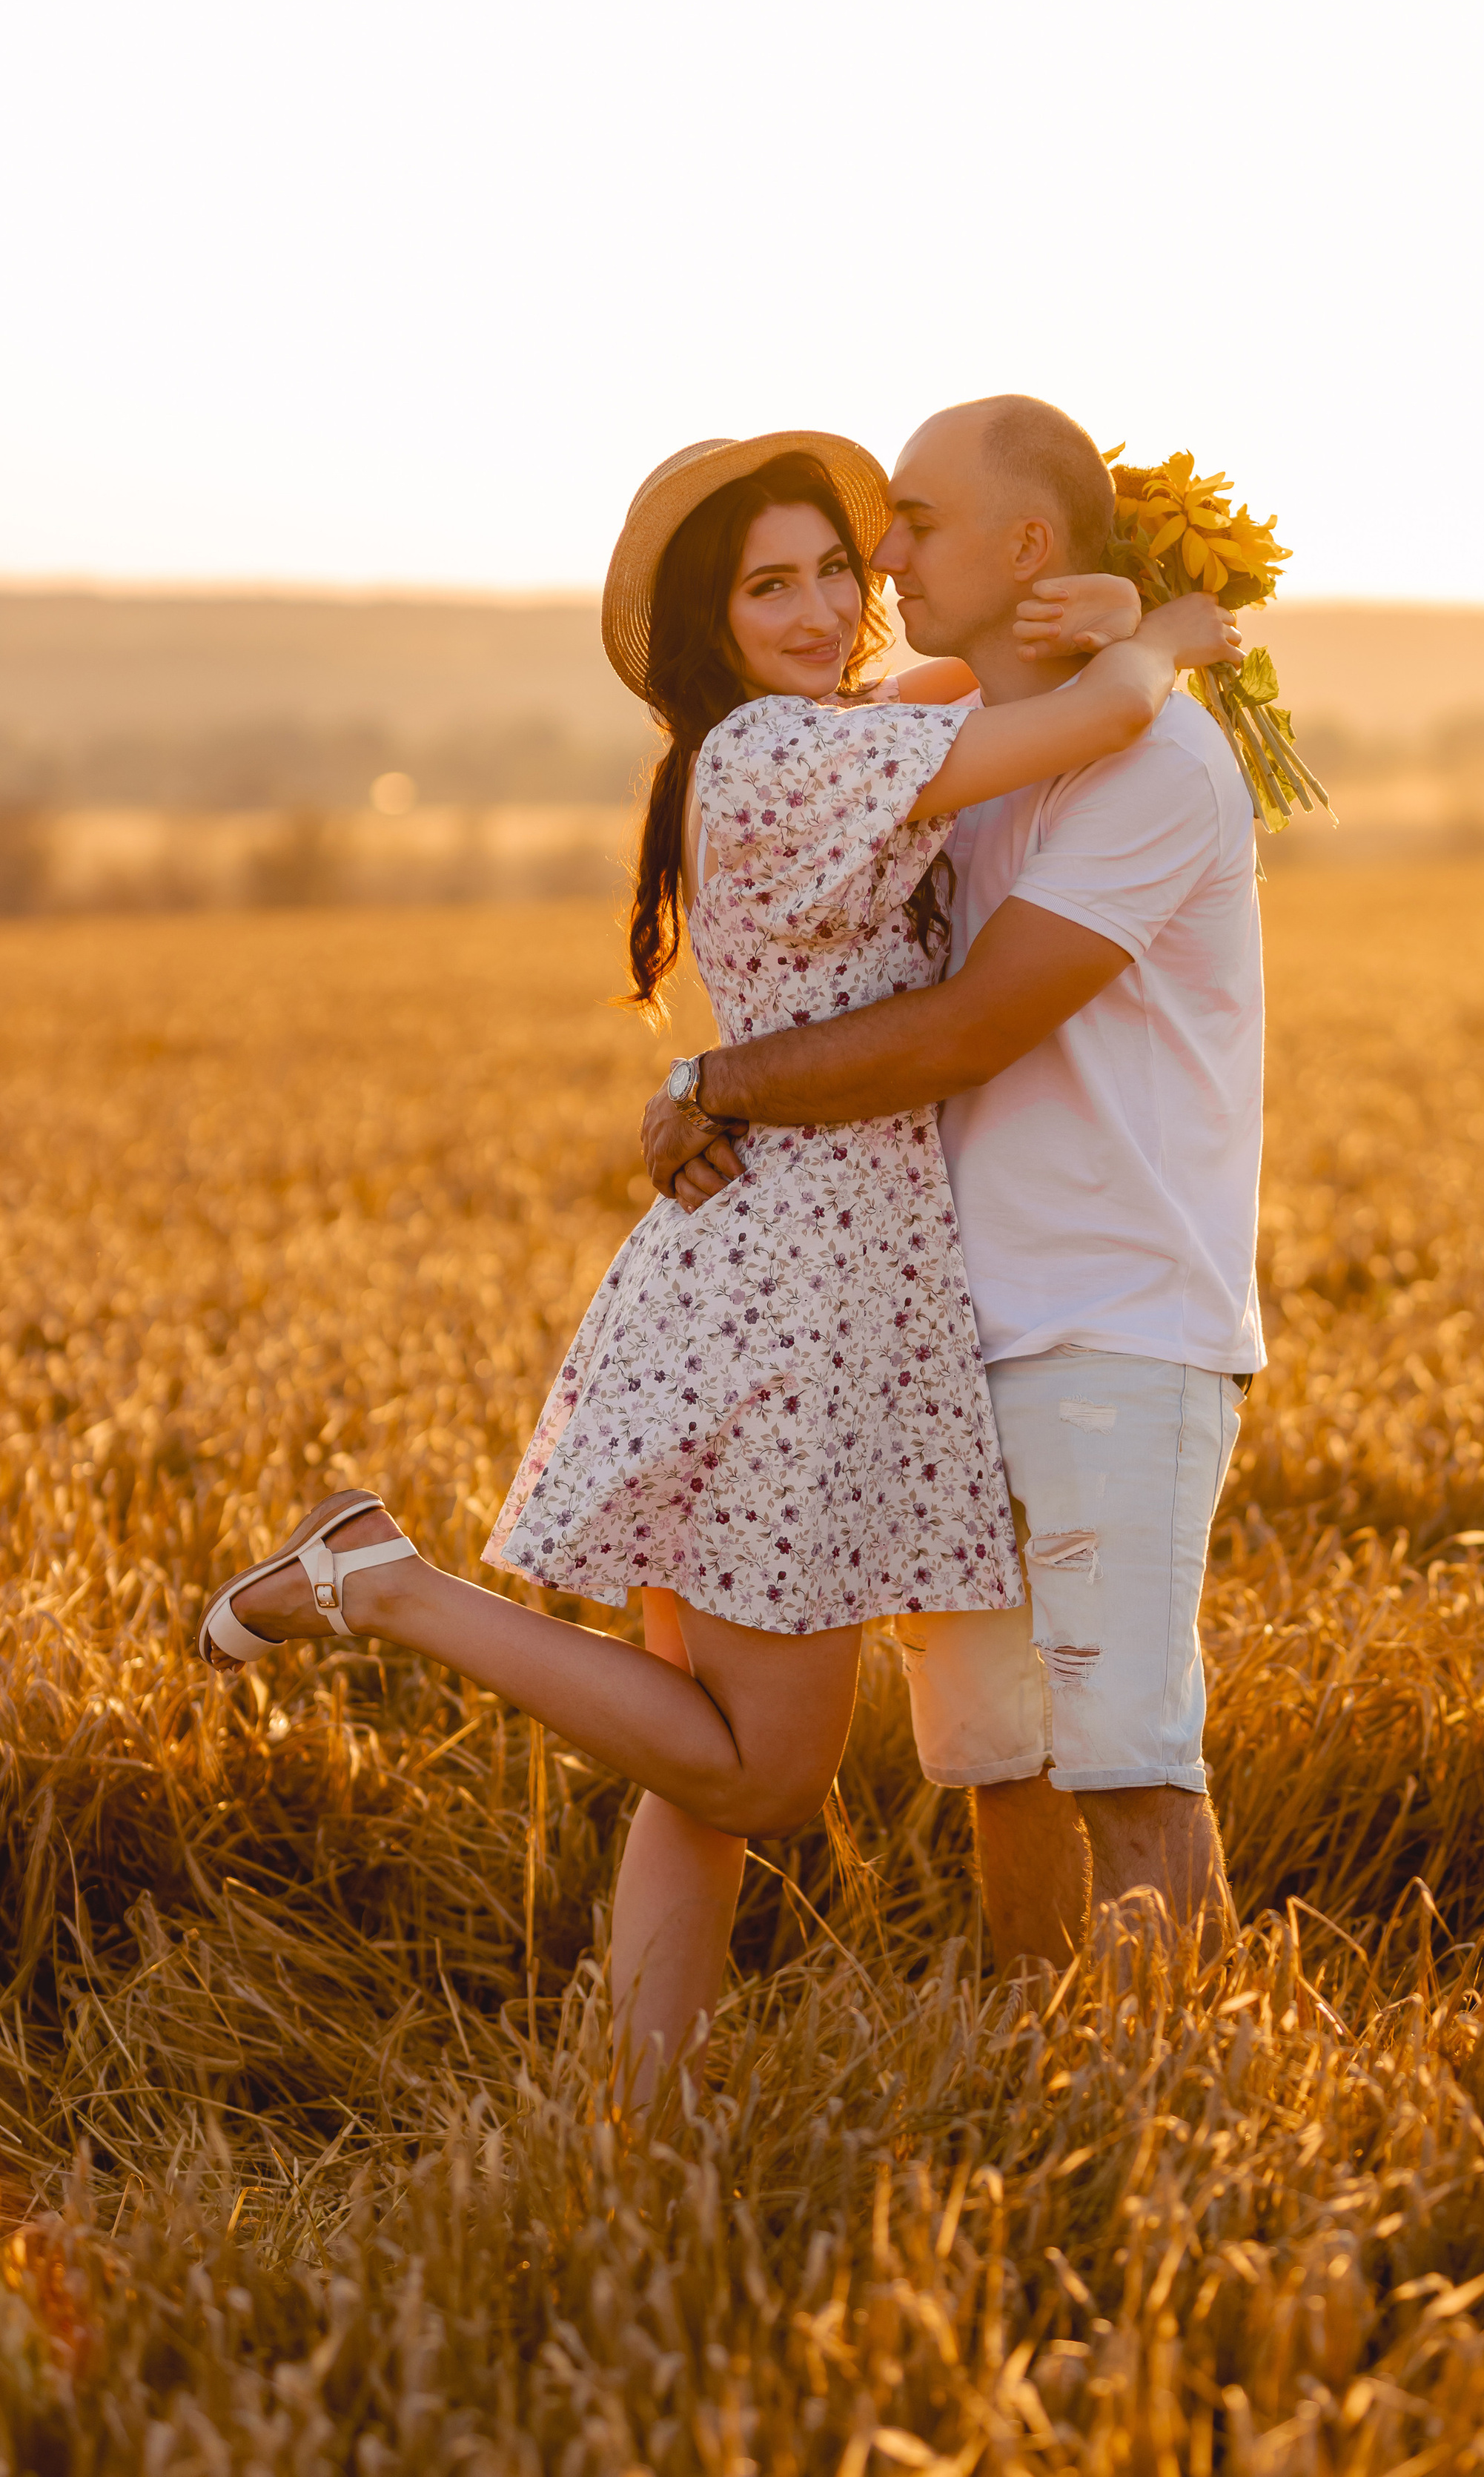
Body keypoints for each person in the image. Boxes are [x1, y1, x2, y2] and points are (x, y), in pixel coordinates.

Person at [196, 427, 1239, 2104]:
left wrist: (1073, 602)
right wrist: (1172, 636)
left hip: (775, 1270)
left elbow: (972, 676)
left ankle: (634, 2113)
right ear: (710, 623)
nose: (835, 602)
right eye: (777, 585)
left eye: (841, 564)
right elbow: (1099, 714)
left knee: (699, 1773)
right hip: (802, 1295)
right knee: (762, 1776)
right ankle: (380, 1581)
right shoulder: (776, 758)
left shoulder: (828, 737)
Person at [644, 395, 1268, 1975]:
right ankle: (1039, 2085)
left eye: (911, 520)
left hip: (1112, 1321)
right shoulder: (946, 737)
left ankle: (1184, 2110)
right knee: (995, 1761)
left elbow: (974, 1021)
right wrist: (1168, 629)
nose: (880, 552)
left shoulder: (1157, 766)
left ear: (1029, 548)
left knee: (1127, 1758)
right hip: (938, 1330)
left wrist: (709, 1083)